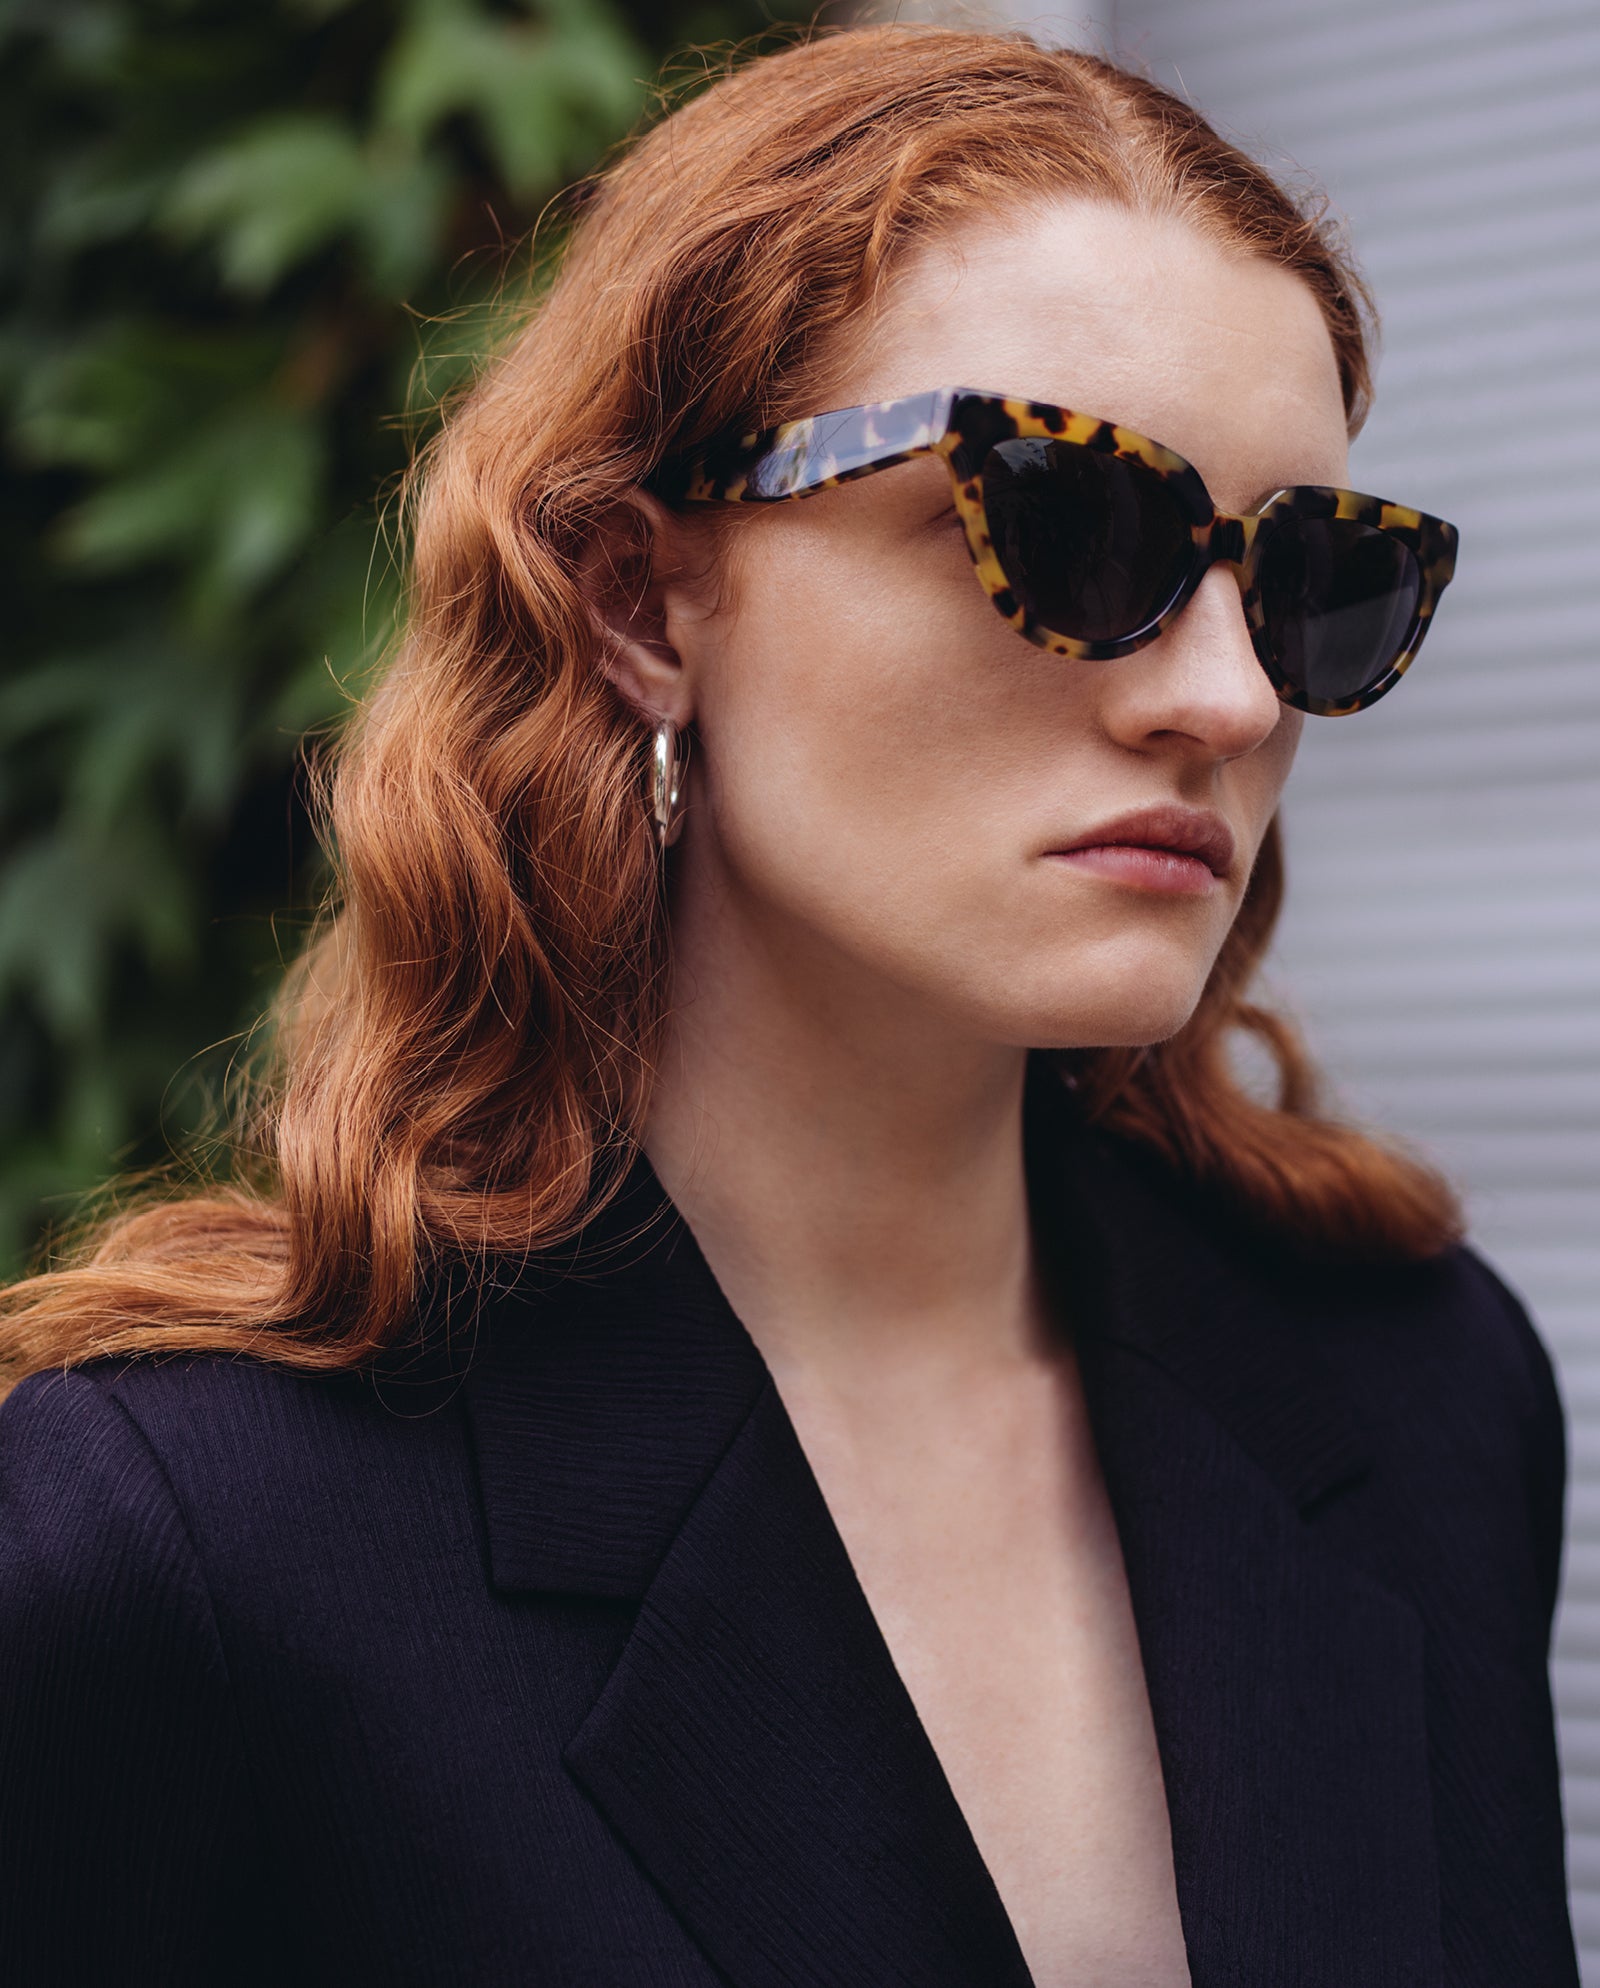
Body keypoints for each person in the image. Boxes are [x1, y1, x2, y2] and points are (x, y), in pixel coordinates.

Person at [0, 25, 1576, 1987]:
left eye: (1303, 579)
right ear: (640, 602)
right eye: (1066, 525)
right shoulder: (178, 1546)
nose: (1227, 697)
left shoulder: (1418, 1398)